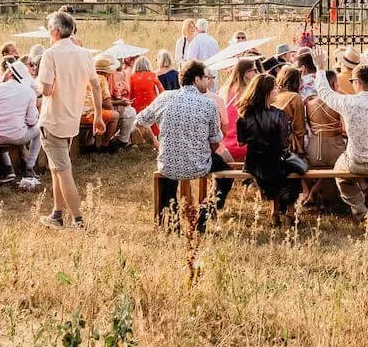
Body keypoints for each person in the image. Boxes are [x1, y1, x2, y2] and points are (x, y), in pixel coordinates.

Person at [136, 60, 235, 235]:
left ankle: (173, 223)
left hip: (168, 163)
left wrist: (156, 145)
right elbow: (214, 141)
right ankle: (205, 213)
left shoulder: (165, 97)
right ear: (197, 80)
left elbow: (140, 123)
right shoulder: (208, 103)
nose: (209, 82)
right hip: (199, 165)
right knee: (226, 174)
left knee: (169, 172)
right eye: (206, 78)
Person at [36, 11, 108, 228]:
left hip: (52, 120)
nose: (49, 31)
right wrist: (97, 116)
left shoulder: (50, 55)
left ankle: (78, 219)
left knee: (63, 171)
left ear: (56, 30)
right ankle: (56, 214)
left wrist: (38, 85)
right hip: (72, 119)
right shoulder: (85, 54)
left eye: (50, 27)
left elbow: (46, 90)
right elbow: (95, 86)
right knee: (56, 167)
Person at [314, 63, 368, 217]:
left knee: (339, 174)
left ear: (357, 82)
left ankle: (361, 211)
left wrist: (320, 68)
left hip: (355, 163)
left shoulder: (348, 103)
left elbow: (324, 92)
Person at [235, 71, 302, 225]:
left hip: (253, 163)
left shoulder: (244, 114)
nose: (277, 91)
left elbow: (241, 142)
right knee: (298, 166)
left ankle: (275, 210)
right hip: (275, 161)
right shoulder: (279, 115)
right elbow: (284, 144)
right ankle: (290, 210)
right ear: (266, 93)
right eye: (274, 89)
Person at [0, 56, 42, 189]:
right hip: (17, 136)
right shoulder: (29, 92)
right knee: (39, 130)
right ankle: (29, 166)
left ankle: (8, 168)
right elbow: (31, 121)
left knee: (3, 132)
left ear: (10, 73)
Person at [128, 55, 166, 137]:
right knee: (154, 121)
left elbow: (131, 94)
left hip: (138, 105)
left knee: (139, 121)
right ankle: (156, 138)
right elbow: (161, 90)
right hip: (152, 103)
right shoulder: (152, 75)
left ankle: (140, 138)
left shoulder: (132, 77)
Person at [272, 67, 308, 153]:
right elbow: (299, 129)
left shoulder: (273, 95)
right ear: (296, 81)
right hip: (288, 145)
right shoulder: (295, 97)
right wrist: (301, 149)